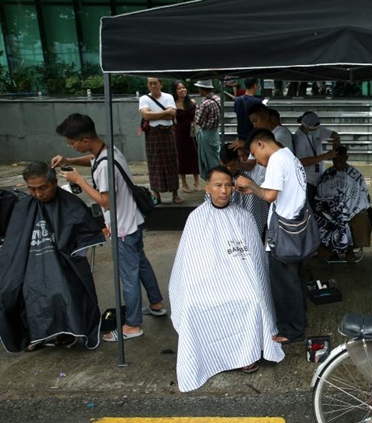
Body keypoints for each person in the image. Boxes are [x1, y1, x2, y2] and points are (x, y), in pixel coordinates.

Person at [52, 113, 167, 342]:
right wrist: (70, 161)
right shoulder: (107, 150)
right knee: (141, 264)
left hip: (122, 227)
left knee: (128, 275)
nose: (71, 146)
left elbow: (105, 201)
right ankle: (156, 304)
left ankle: (133, 325)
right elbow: (93, 161)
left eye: (71, 143)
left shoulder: (104, 167)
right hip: (133, 220)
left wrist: (79, 181)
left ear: (85, 141)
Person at [169, 166, 285, 391]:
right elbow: (190, 264)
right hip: (205, 282)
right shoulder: (196, 218)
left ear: (234, 187)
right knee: (194, 305)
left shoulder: (244, 217)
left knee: (252, 299)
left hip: (241, 280)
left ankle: (247, 354)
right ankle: (205, 356)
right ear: (208, 188)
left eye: (228, 185)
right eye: (218, 185)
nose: (223, 191)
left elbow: (255, 262)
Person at [0, 161, 105, 352]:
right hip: (30, 263)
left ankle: (66, 330)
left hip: (64, 264)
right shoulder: (23, 207)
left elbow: (84, 236)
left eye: (43, 188)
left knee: (60, 287)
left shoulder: (71, 204)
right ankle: (34, 334)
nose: (38, 194)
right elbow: (14, 245)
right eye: (32, 189)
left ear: (54, 182)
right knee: (20, 288)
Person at [235, 128, 308, 344]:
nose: (256, 161)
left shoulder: (276, 159)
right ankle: (298, 322)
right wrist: (254, 189)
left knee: (284, 283)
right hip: (295, 229)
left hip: (284, 232)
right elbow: (271, 193)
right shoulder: (289, 157)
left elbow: (269, 195)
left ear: (261, 145)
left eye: (254, 155)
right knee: (295, 280)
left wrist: (249, 184)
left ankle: (291, 330)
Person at [314, 146, 372, 262]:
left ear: (346, 158)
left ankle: (349, 250)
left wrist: (351, 210)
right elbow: (320, 196)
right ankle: (331, 251)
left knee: (361, 219)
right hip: (330, 212)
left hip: (352, 210)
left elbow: (363, 197)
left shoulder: (356, 175)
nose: (338, 164)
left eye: (340, 161)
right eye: (335, 161)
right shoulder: (327, 175)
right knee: (319, 219)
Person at [139, 77, 182, 204]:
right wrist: (165, 112)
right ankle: (156, 195)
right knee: (154, 163)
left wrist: (154, 114)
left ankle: (175, 193)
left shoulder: (168, 97)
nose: (153, 86)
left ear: (160, 84)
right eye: (150, 83)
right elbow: (146, 115)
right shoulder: (144, 99)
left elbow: (173, 114)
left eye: (155, 83)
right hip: (152, 134)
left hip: (168, 132)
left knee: (172, 162)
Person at [293, 111, 340, 205]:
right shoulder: (299, 137)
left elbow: (334, 134)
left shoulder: (317, 130)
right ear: (305, 126)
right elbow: (302, 161)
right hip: (307, 180)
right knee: (309, 205)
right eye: (313, 129)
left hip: (320, 177)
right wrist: (326, 155)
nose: (316, 131)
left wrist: (336, 144)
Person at [171, 81, 200, 193]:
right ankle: (183, 182)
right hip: (180, 133)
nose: (182, 90)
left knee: (194, 156)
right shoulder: (173, 104)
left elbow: (196, 117)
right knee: (181, 157)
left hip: (191, 133)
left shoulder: (192, 102)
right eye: (179, 88)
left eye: (183, 88)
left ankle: (196, 181)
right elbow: (171, 120)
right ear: (175, 91)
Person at [194, 80, 222, 181]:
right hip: (215, 132)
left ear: (203, 89)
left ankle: (213, 179)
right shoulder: (217, 99)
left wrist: (196, 109)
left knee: (208, 160)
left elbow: (198, 120)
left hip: (207, 132)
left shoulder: (206, 103)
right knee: (215, 156)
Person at [231, 78, 262, 162]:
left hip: (241, 134)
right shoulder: (258, 102)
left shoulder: (237, 100)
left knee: (243, 160)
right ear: (255, 85)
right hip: (253, 135)